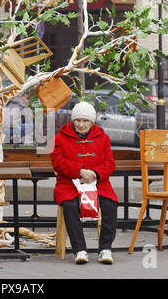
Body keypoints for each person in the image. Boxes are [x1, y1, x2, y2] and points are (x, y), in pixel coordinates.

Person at [50, 101, 118, 265]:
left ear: (92, 122)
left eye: (85, 121)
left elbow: (110, 163)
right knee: (70, 205)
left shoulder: (103, 138)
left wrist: (94, 173)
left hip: (98, 182)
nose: (81, 124)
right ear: (72, 120)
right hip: (69, 183)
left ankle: (105, 248)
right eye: (78, 120)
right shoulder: (59, 138)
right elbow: (57, 162)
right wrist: (79, 170)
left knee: (110, 204)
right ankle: (80, 250)